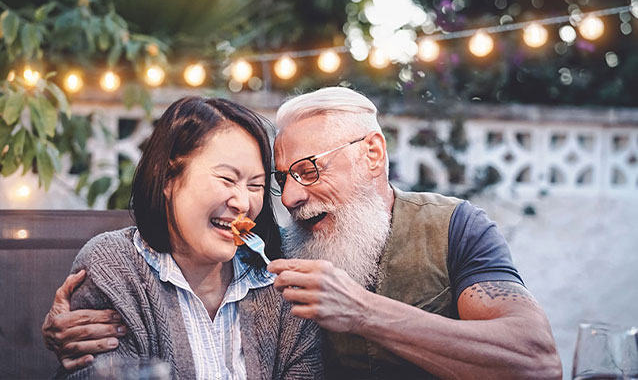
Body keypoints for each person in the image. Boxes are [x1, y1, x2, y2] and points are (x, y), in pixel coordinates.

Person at [44, 88, 561, 379]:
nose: (287, 198)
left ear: (373, 155)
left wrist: (362, 312)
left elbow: (536, 360)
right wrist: (66, 341)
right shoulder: (277, 258)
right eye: (284, 178)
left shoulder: (455, 227)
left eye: (308, 169)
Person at [46, 96, 322, 379]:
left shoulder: (282, 283)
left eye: (256, 185)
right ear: (168, 177)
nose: (243, 202)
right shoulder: (113, 268)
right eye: (227, 179)